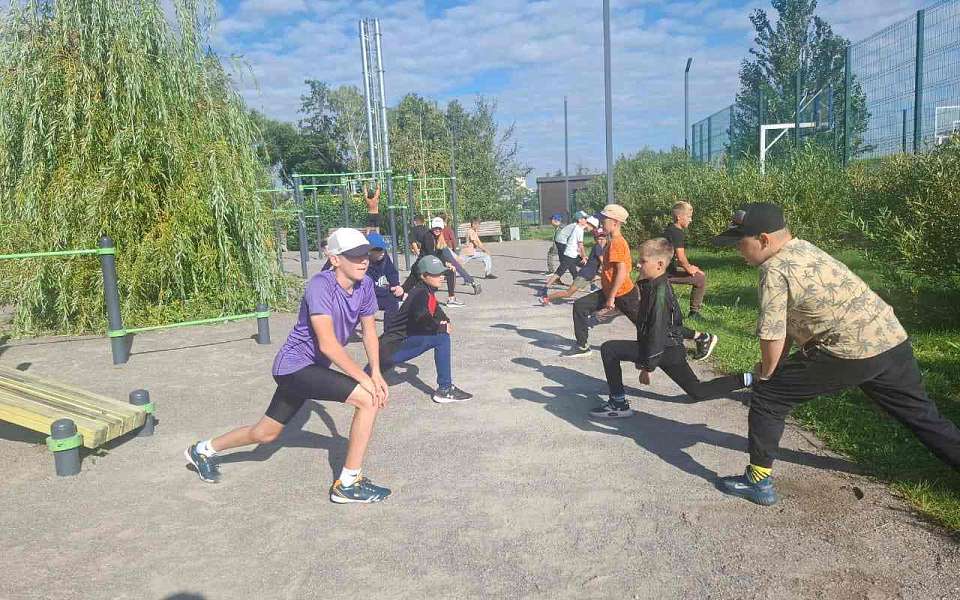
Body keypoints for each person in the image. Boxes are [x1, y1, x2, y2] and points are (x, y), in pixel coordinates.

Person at [712, 203, 960, 506]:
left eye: (741, 243)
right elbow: (789, 323)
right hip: (889, 337)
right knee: (922, 414)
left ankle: (758, 482)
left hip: (852, 350)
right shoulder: (805, 249)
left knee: (769, 395)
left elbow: (773, 334)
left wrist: (767, 372)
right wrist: (775, 365)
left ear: (763, 240)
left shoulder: (773, 269)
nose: (739, 251)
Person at [184, 228, 393, 504]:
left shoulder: (364, 285)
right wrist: (365, 381)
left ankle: (203, 450)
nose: (363, 261)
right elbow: (329, 345)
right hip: (293, 367)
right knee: (367, 399)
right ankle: (348, 483)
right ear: (335, 259)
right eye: (354, 256)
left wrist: (375, 371)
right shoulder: (320, 286)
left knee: (265, 435)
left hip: (312, 369)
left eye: (365, 255)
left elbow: (368, 332)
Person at [591, 238, 749, 418]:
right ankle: (748, 379)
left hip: (665, 349)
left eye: (643, 261)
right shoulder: (652, 285)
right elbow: (656, 327)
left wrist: (648, 367)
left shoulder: (659, 292)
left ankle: (618, 404)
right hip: (667, 349)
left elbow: (657, 331)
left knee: (609, 349)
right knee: (697, 391)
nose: (637, 265)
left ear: (659, 264)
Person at [378, 255, 473, 403]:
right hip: (390, 350)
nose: (441, 277)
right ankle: (445, 389)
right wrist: (441, 326)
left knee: (441, 335)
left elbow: (437, 312)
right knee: (442, 338)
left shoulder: (427, 291)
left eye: (441, 273)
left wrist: (445, 322)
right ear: (423, 276)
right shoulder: (420, 293)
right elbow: (422, 319)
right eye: (435, 274)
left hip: (392, 348)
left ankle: (445, 388)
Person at [562, 204, 640, 358]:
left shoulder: (617, 242)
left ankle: (684, 339)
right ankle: (582, 346)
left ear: (615, 223)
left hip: (623, 294)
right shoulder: (612, 241)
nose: (601, 222)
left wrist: (611, 297)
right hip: (610, 291)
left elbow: (622, 272)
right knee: (580, 306)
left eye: (604, 219)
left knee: (645, 324)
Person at [664, 201, 708, 319]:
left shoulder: (669, 229)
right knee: (700, 278)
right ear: (679, 217)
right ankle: (694, 313)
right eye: (688, 217)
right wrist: (690, 269)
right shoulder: (677, 233)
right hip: (666, 273)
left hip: (663, 269)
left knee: (698, 275)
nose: (691, 220)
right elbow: (680, 257)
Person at [540, 227, 607, 305]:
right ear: (595, 239)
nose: (602, 241)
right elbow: (603, 262)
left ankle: (605, 299)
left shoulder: (602, 247)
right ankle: (546, 298)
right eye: (599, 239)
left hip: (591, 275)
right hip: (585, 275)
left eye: (604, 238)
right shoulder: (597, 247)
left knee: (607, 280)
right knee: (568, 293)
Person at [544, 211, 594, 290]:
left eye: (586, 219)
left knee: (567, 263)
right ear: (579, 220)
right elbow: (580, 244)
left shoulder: (577, 227)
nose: (586, 220)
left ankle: (574, 281)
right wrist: (583, 255)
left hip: (565, 245)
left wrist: (579, 252)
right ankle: (575, 281)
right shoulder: (577, 228)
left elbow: (576, 241)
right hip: (562, 243)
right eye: (584, 218)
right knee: (568, 263)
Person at [434, 216, 482, 295]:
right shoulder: (445, 229)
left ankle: (471, 283)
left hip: (442, 249)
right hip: (445, 249)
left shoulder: (437, 232)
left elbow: (447, 242)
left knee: (452, 266)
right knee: (455, 265)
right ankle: (472, 282)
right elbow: (451, 241)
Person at [365, 232, 403, 319]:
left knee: (392, 300)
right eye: (378, 249)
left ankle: (390, 331)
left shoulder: (384, 257)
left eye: (383, 248)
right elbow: (369, 288)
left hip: (374, 293)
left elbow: (392, 272)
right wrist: (389, 289)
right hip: (361, 296)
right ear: (369, 251)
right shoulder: (363, 263)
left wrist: (396, 286)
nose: (382, 252)